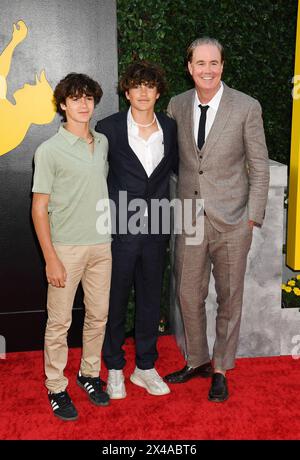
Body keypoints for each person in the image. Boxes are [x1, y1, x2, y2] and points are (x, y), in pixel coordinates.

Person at [164, 37, 270, 402]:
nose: (207, 70)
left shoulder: (246, 107)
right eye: (200, 63)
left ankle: (221, 368)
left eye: (214, 63)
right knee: (187, 293)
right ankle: (197, 359)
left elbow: (259, 166)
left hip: (234, 220)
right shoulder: (176, 105)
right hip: (190, 218)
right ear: (189, 67)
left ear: (222, 66)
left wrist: (252, 218)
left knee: (229, 298)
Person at [32, 73, 112, 421]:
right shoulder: (48, 150)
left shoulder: (104, 142)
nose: (83, 104)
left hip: (101, 245)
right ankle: (56, 387)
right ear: (63, 104)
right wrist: (51, 258)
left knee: (98, 315)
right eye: (75, 98)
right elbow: (38, 208)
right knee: (59, 323)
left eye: (89, 98)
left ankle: (89, 374)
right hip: (65, 249)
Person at [95, 60, 178, 399]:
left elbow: (178, 171)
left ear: (158, 92)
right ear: (126, 92)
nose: (143, 92)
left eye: (150, 85)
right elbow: (94, 176)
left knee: (149, 298)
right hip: (119, 227)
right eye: (137, 86)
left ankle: (145, 366)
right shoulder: (108, 128)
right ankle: (114, 367)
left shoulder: (170, 129)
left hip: (157, 225)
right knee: (115, 298)